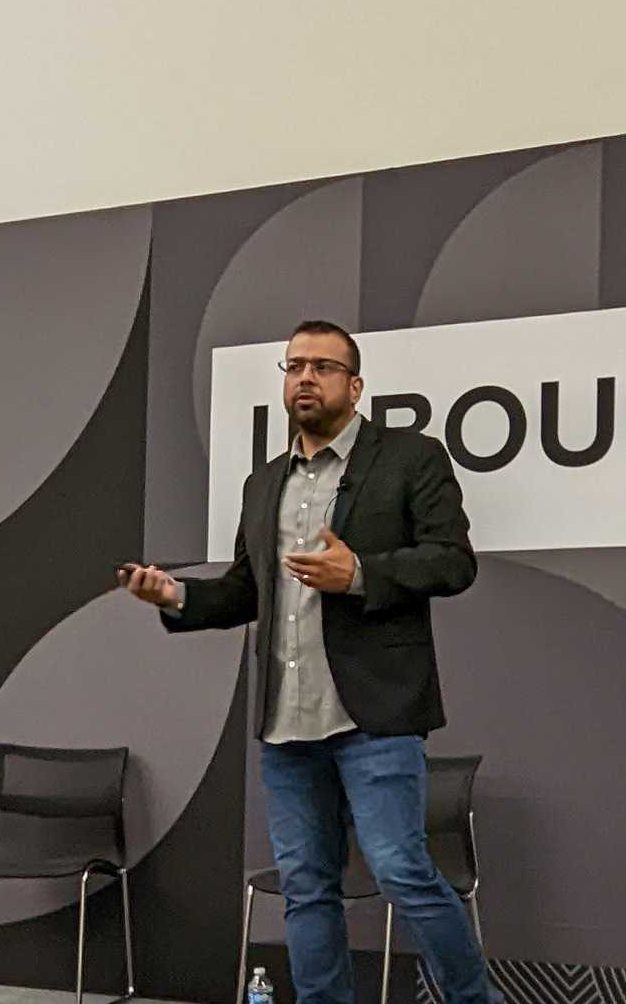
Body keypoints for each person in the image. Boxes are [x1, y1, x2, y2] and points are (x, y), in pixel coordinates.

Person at [118, 321, 499, 1004]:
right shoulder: (263, 483)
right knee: (304, 886)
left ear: (353, 387)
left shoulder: (409, 459)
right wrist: (175, 594)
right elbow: (244, 589)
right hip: (286, 723)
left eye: (323, 367)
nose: (304, 378)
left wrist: (359, 573)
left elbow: (452, 560)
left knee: (401, 872)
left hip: (375, 713)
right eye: (293, 365)